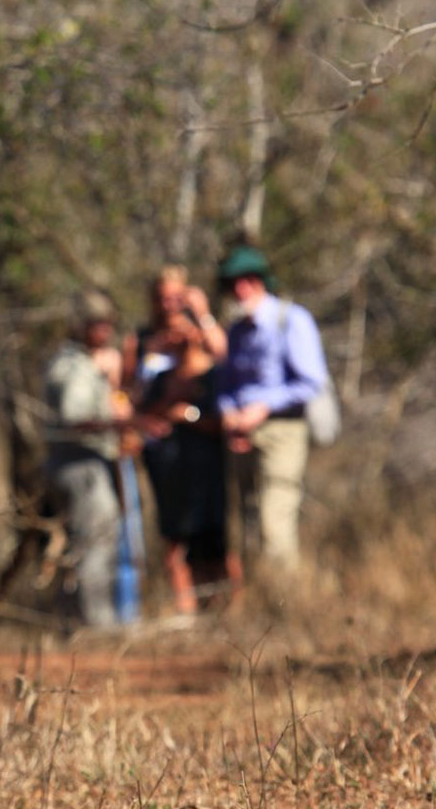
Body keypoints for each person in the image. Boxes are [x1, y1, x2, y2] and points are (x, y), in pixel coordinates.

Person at [216, 245, 329, 569]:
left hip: (283, 431)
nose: (241, 289)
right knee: (248, 521)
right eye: (234, 283)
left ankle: (285, 604)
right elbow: (227, 386)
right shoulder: (236, 331)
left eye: (247, 280)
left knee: (274, 518)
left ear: (261, 281)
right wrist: (230, 414)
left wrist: (263, 408)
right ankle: (258, 600)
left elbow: (311, 381)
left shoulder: (291, 320)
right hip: (242, 436)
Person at [43, 289, 148, 627]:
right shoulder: (72, 365)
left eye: (107, 323)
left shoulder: (90, 362)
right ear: (80, 326)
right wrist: (120, 423)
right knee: (95, 542)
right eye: (96, 323)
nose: (104, 330)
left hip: (91, 462)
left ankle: (79, 621)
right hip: (80, 464)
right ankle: (96, 625)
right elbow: (73, 417)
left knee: (91, 541)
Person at [137, 310, 243, 614]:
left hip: (207, 471)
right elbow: (144, 415)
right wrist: (167, 402)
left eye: (182, 330)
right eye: (170, 332)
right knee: (176, 541)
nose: (177, 338)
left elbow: (222, 422)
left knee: (214, 542)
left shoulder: (214, 374)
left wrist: (188, 415)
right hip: (169, 470)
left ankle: (230, 611)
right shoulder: (160, 378)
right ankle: (187, 614)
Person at [121, 266, 227, 398]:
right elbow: (126, 387)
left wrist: (203, 313)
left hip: (191, 412)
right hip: (150, 412)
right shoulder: (139, 340)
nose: (168, 306)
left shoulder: (196, 335)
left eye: (176, 299)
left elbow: (221, 352)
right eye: (162, 299)